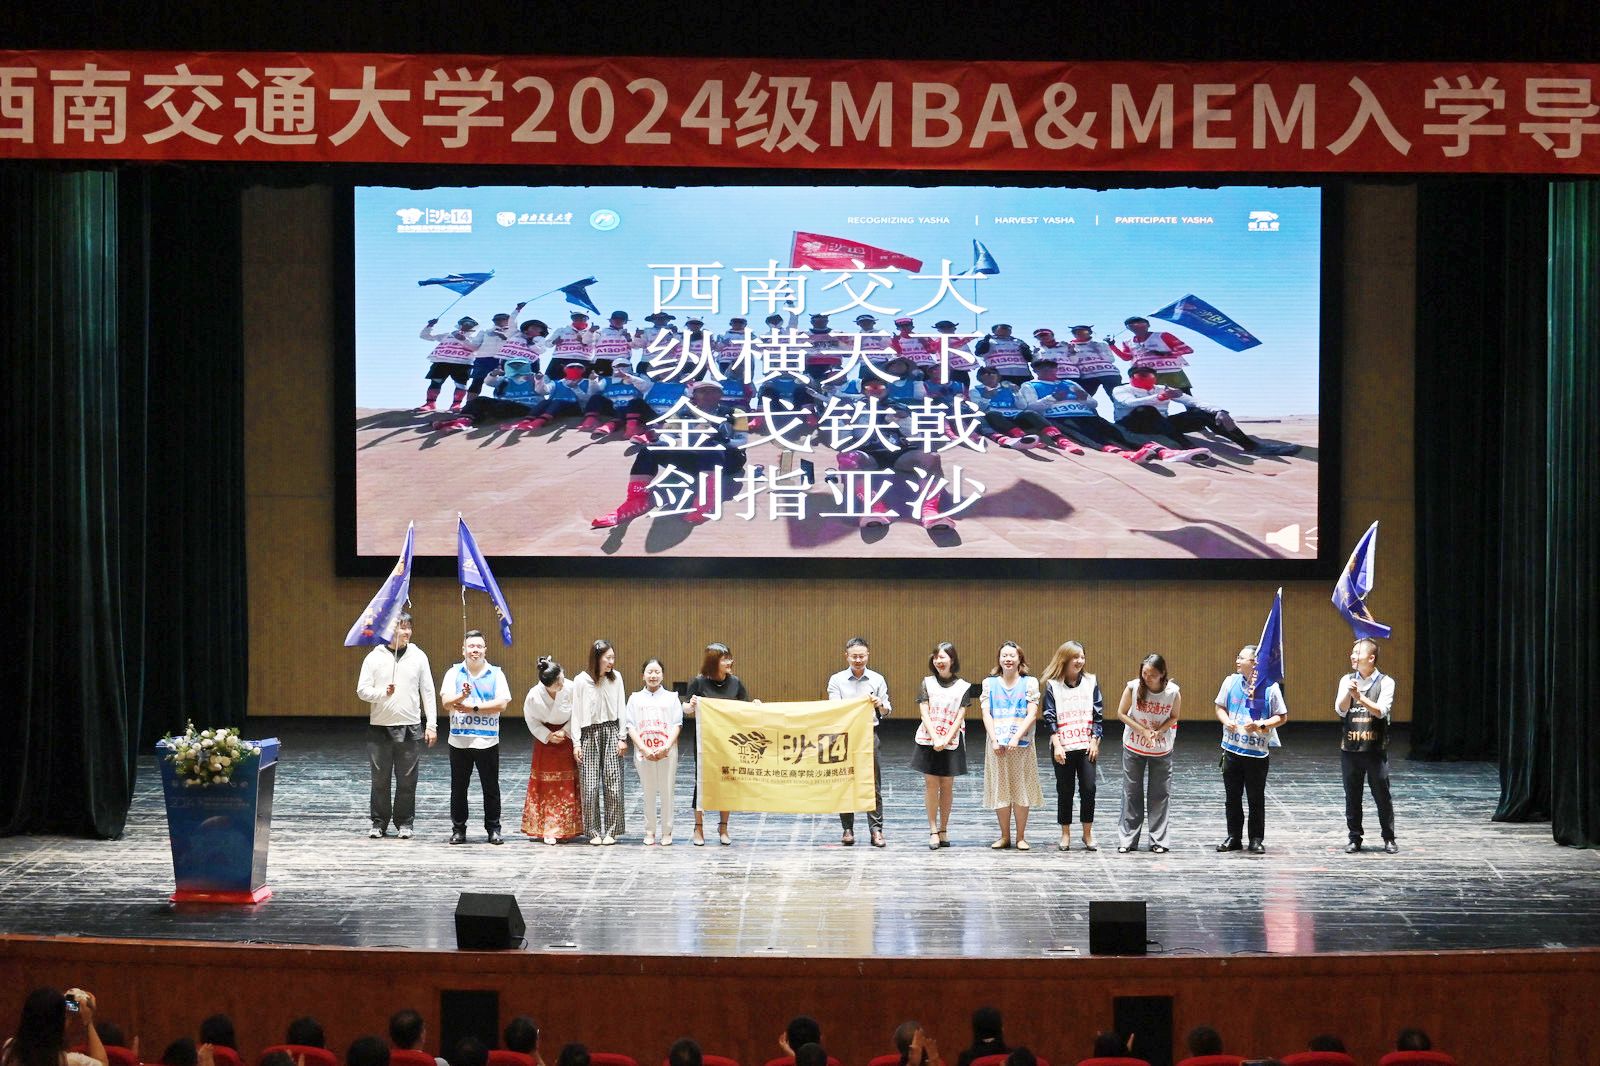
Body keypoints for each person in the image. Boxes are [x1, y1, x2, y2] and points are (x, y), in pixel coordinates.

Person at [356, 612, 438, 839]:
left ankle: (405, 823)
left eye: (408, 627)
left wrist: (431, 725)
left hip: (410, 727)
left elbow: (428, 691)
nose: (406, 632)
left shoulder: (419, 656)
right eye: (401, 627)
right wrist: (382, 693)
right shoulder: (374, 657)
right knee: (380, 779)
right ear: (388, 630)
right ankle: (379, 822)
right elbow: (362, 690)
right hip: (380, 727)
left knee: (407, 780)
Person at [1113, 366, 1300, 457]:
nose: (1149, 378)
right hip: (1132, 425)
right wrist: (1160, 398)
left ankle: (1252, 446)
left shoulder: (1163, 388)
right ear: (1132, 377)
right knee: (1146, 410)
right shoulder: (1121, 389)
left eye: (1152, 375)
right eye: (1143, 375)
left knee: (1202, 413)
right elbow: (1129, 403)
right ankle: (1188, 448)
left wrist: (1219, 410)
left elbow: (1193, 401)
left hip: (1162, 424)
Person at [1214, 643, 1288, 854]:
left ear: (1255, 663)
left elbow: (1281, 716)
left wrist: (1261, 725)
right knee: (1232, 797)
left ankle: (1256, 839)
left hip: (1256, 754)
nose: (1237, 661)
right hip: (1232, 750)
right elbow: (1219, 707)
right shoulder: (1230, 682)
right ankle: (1233, 837)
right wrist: (1226, 720)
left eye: (1241, 658)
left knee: (1255, 798)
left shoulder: (1270, 687)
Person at [439, 630, 510, 845]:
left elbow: (502, 704)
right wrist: (461, 695)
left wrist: (473, 707)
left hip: (487, 740)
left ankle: (494, 829)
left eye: (479, 646)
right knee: (459, 789)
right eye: (471, 646)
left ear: (485, 650)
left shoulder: (496, 673)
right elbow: (446, 703)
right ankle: (458, 829)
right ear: (463, 650)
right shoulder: (453, 673)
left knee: (491, 788)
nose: (475, 650)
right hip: (459, 740)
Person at [827, 636, 892, 847]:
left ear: (868, 656)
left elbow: (887, 711)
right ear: (846, 656)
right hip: (844, 737)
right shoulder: (836, 680)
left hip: (868, 734)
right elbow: (835, 709)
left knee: (873, 783)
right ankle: (847, 829)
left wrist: (880, 704)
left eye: (861, 656)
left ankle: (876, 830)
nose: (858, 660)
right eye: (854, 656)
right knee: (845, 781)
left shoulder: (877, 679)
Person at [1337, 637, 1399, 854]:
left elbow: (1381, 711)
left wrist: (1360, 697)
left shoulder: (1386, 682)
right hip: (1350, 749)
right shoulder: (1347, 680)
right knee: (1352, 796)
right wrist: (1349, 693)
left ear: (1371, 658)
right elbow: (1340, 709)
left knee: (1382, 795)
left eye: (1358, 653)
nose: (1352, 656)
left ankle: (1389, 837)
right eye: (1352, 652)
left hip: (1374, 750)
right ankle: (1354, 838)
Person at [686, 642, 751, 846]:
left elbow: (746, 709)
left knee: (726, 780)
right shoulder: (698, 682)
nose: (730, 662)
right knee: (701, 782)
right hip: (705, 742)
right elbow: (685, 708)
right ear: (713, 662)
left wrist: (755, 706)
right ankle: (698, 828)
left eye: (729, 658)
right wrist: (691, 705)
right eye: (725, 659)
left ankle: (723, 827)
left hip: (728, 742)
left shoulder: (736, 683)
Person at [1040, 640, 1103, 852]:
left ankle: (1087, 833)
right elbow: (1049, 716)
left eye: (1082, 657)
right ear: (1064, 659)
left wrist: (1095, 740)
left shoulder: (1091, 682)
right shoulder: (1053, 685)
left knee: (1089, 788)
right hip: (1063, 746)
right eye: (1075, 657)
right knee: (1065, 790)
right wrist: (1057, 745)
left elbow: (1098, 714)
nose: (1080, 661)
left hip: (1086, 745)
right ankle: (1065, 833)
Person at [1115, 653, 1181, 854]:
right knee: (1131, 792)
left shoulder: (1173, 692)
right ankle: (1128, 840)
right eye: (1144, 673)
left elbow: (1174, 716)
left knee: (1159, 794)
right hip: (1134, 746)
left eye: (1152, 675)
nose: (1147, 678)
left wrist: (1159, 731)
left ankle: (1159, 840)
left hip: (1161, 748)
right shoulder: (1133, 687)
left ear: (1162, 674)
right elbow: (1121, 713)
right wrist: (1142, 730)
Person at [980, 642, 1043, 850]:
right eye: (1004, 655)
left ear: (1019, 659)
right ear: (999, 659)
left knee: (1021, 788)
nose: (1008, 659)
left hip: (1021, 745)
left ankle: (1021, 837)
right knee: (1001, 790)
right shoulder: (989, 683)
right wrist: (994, 740)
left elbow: (1032, 714)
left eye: (1012, 655)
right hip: (997, 746)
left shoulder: (1030, 683)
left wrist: (1016, 737)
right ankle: (1004, 836)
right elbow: (986, 713)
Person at [912, 641, 970, 850]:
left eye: (942, 657)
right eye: (936, 657)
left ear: (952, 660)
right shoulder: (927, 682)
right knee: (931, 785)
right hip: (929, 740)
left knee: (947, 785)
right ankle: (933, 830)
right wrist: (936, 737)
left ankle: (944, 829)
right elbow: (924, 712)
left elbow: (960, 716)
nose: (938, 661)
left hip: (951, 741)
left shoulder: (963, 686)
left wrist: (945, 739)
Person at [569, 639, 628, 844]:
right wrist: (576, 743)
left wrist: (622, 737)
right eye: (608, 658)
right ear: (597, 658)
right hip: (588, 734)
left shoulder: (616, 678)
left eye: (613, 657)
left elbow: (622, 707)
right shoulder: (580, 680)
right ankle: (593, 831)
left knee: (614, 784)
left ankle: (612, 831)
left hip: (612, 731)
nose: (611, 661)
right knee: (589, 786)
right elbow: (576, 713)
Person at [521, 655, 584, 845]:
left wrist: (565, 731)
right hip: (546, 742)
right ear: (546, 684)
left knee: (566, 782)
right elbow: (531, 719)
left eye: (562, 679)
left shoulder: (571, 688)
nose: (562, 685)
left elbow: (579, 713)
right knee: (546, 784)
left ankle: (566, 828)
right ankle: (546, 828)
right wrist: (547, 735)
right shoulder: (534, 695)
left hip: (566, 737)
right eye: (557, 684)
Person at [625, 657, 684, 845]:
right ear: (643, 675)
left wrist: (666, 747)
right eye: (649, 672)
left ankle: (667, 831)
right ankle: (649, 831)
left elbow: (677, 724)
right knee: (648, 792)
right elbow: (630, 726)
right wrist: (643, 748)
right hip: (644, 753)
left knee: (667, 792)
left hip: (667, 752)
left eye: (657, 672)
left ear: (662, 675)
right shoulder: (635, 698)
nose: (653, 675)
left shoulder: (672, 697)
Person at [2, 988, 107, 1066]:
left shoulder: (10, 1048)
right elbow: (102, 1063)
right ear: (58, 1025)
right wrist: (88, 1021)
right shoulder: (70, 1061)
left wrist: (60, 1006)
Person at [415, 316, 481, 414]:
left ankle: (456, 404)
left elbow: (475, 348)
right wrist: (430, 326)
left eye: (470, 323)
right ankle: (430, 403)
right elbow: (425, 336)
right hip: (441, 361)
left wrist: (463, 339)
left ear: (474, 326)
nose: (466, 325)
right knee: (436, 382)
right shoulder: (448, 335)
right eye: (463, 322)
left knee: (460, 384)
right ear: (459, 324)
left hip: (462, 363)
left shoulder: (474, 338)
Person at [1062, 325, 1123, 398]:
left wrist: (1099, 350)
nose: (1079, 334)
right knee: (1082, 399)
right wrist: (1072, 353)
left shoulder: (1101, 344)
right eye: (1075, 332)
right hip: (1087, 376)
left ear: (1090, 333)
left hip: (1109, 373)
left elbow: (1110, 360)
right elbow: (1073, 363)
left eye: (1083, 332)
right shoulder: (1068, 346)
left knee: (1117, 397)